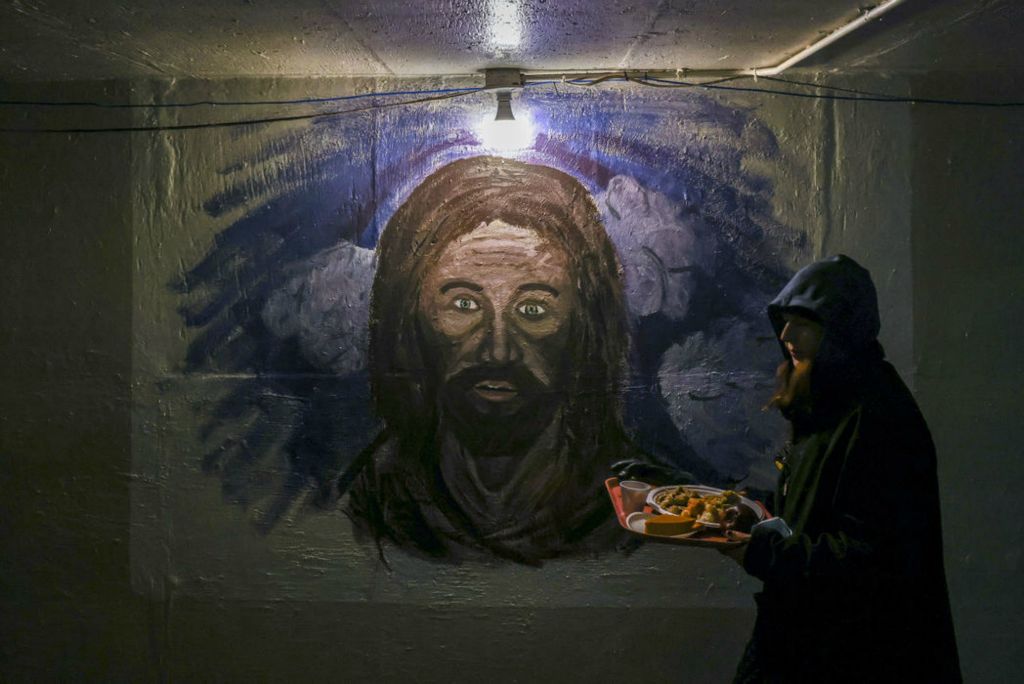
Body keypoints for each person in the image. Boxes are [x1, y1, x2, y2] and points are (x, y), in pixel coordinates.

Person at [341, 156, 653, 564]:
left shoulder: (640, 505)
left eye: (534, 310)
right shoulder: (374, 500)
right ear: (408, 316)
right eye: (464, 303)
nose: (498, 350)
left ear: (584, 324)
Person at [727, 254, 961, 682]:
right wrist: (748, 513)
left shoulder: (878, 415)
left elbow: (868, 559)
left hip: (856, 656)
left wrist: (758, 551)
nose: (785, 334)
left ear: (841, 330)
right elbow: (810, 510)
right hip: (810, 640)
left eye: (803, 322)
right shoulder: (831, 402)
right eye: (784, 320)